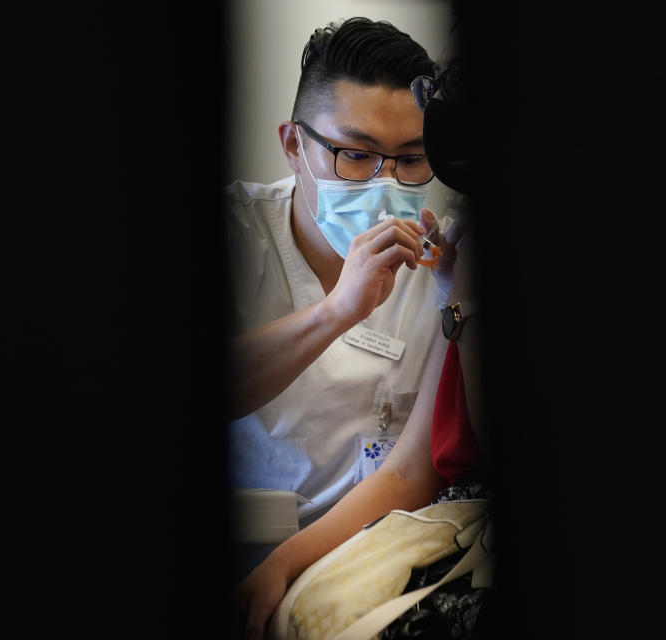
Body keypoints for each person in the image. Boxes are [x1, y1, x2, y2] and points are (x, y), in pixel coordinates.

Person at [236, 14, 491, 638]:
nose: (385, 185)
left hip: (379, 537)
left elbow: (414, 468)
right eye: (355, 155)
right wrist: (337, 310)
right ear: (294, 146)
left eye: (410, 160)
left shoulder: (444, 258)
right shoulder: (240, 234)